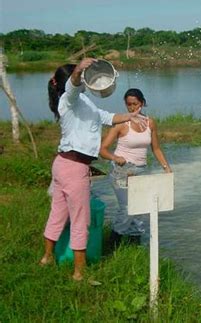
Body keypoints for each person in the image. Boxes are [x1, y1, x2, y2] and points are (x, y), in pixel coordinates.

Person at [40, 58, 147, 281]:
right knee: (81, 219)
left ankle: (47, 258)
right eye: (81, 80)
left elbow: (106, 117)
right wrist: (80, 69)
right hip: (74, 167)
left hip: (64, 164)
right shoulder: (67, 100)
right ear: (71, 81)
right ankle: (80, 272)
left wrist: (130, 116)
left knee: (58, 213)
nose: (85, 84)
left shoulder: (84, 102)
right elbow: (73, 85)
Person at [99, 88, 172, 244]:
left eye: (135, 104)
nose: (132, 108)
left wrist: (166, 167)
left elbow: (156, 148)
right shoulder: (121, 124)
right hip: (121, 170)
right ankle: (113, 241)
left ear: (142, 103)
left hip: (140, 170)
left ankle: (134, 243)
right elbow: (102, 149)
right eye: (129, 105)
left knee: (139, 208)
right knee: (126, 207)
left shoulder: (150, 122)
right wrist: (115, 157)